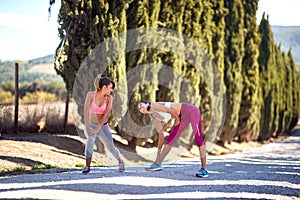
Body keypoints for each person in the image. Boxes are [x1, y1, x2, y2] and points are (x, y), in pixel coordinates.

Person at [138, 101, 208, 177]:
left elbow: (172, 111)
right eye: (140, 109)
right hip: (181, 116)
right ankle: (158, 164)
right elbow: (161, 138)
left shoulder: (153, 105)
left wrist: (177, 121)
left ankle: (204, 169)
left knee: (198, 139)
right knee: (170, 140)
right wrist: (157, 155)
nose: (141, 108)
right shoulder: (155, 118)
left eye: (141, 105)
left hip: (190, 110)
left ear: (147, 103)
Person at [82, 74, 125, 174]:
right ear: (104, 87)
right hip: (90, 124)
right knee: (90, 140)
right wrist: (88, 128)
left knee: (111, 147)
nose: (111, 91)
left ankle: (120, 161)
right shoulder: (90, 95)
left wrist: (97, 129)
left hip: (103, 126)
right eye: (110, 88)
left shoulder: (109, 99)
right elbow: (86, 112)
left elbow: (106, 116)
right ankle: (87, 166)